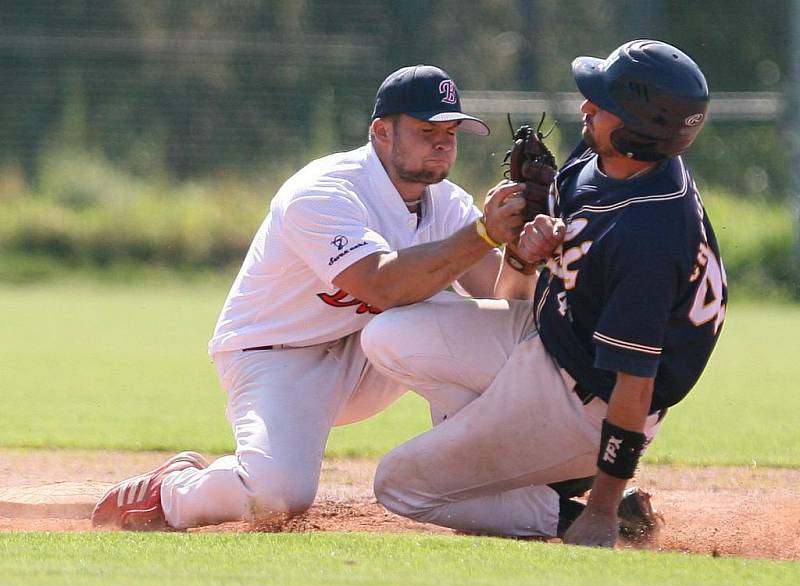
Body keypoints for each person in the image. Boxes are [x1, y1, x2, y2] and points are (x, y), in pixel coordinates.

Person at [91, 64, 532, 530]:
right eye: (426, 131)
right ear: (382, 132)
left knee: (462, 322)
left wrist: (523, 258)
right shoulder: (324, 191)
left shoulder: (448, 202)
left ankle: (477, 476)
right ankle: (172, 490)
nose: (443, 143)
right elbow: (380, 285)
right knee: (277, 496)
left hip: (369, 354)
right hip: (279, 354)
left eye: (451, 131)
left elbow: (503, 310)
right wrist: (484, 233)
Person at [360, 40, 727, 547]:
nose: (586, 106)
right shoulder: (609, 159)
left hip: (590, 404)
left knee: (399, 485)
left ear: (638, 129)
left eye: (603, 103)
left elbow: (635, 388)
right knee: (386, 335)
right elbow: (521, 292)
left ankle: (588, 512)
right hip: (551, 338)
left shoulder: (650, 234)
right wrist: (524, 253)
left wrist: (600, 507)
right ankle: (534, 470)